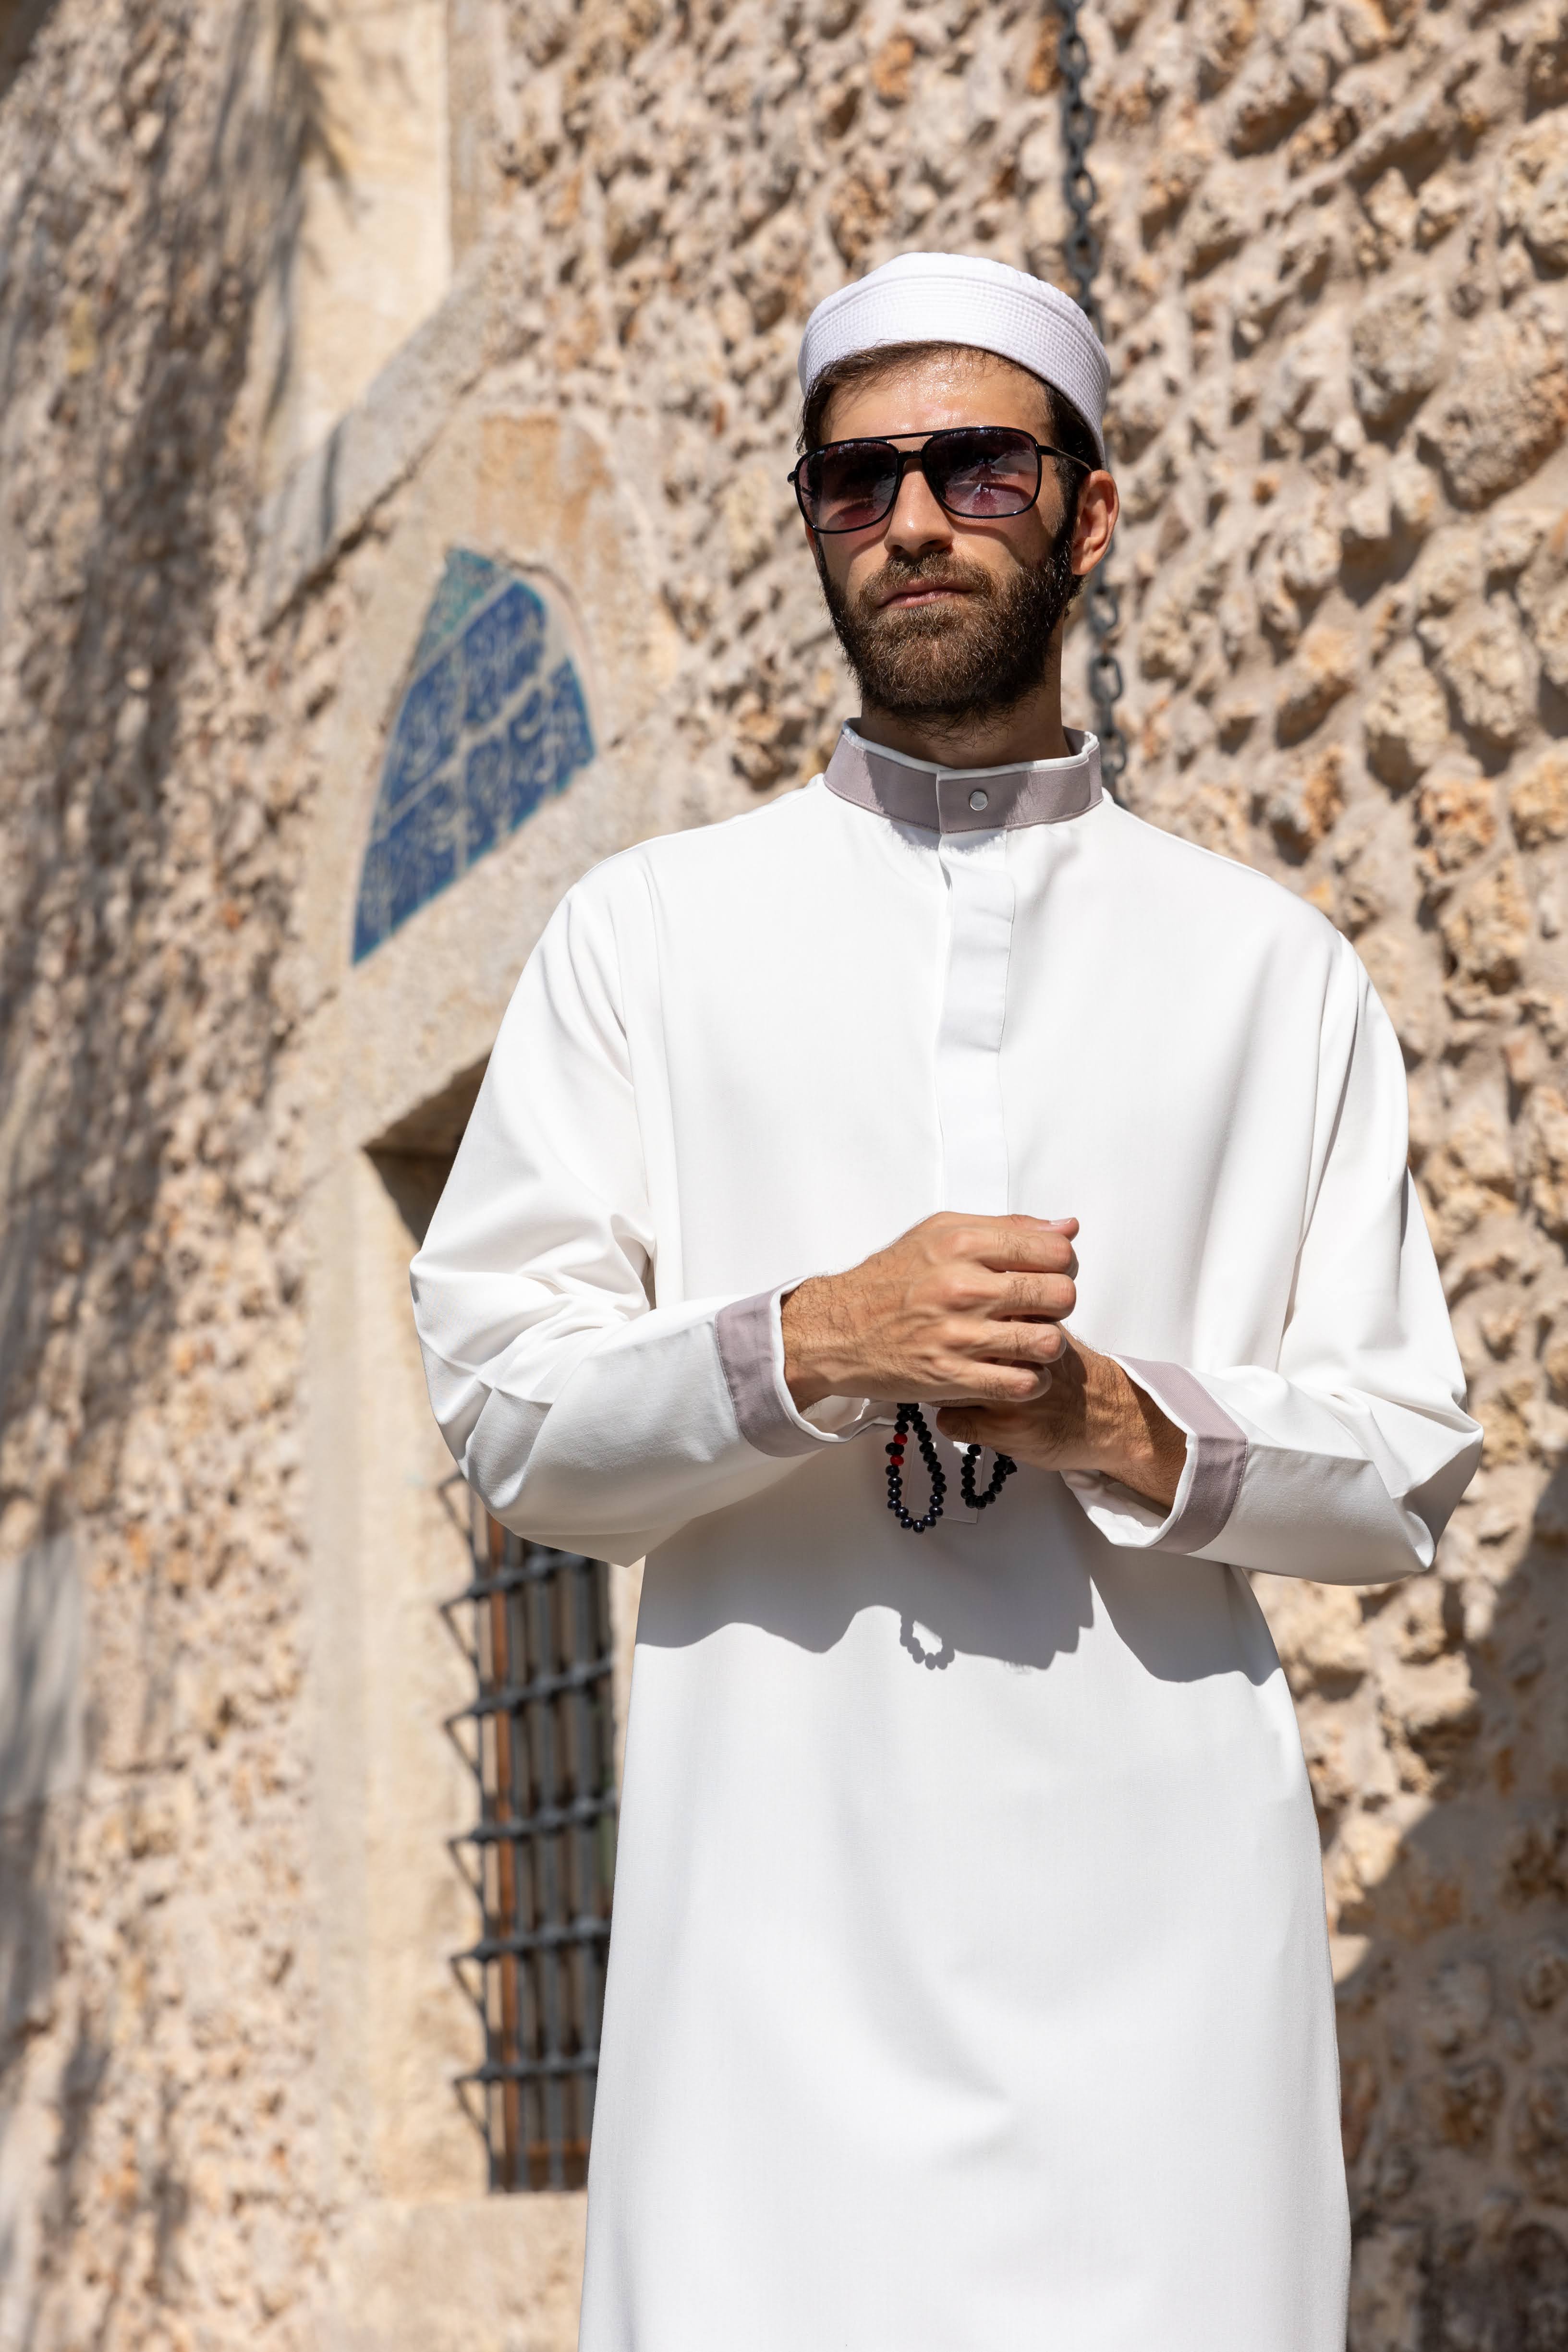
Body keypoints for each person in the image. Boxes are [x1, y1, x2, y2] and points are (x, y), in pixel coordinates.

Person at [411, 252, 1480, 2351]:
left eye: (976, 467)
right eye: (855, 477)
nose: (909, 518)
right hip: (765, 1990)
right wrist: (814, 1346)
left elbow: (1408, 1464)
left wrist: (1117, 1423)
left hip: (1163, 1996)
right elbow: (505, 1411)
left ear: (1085, 513)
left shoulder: (1270, 975)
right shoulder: (644, 941)